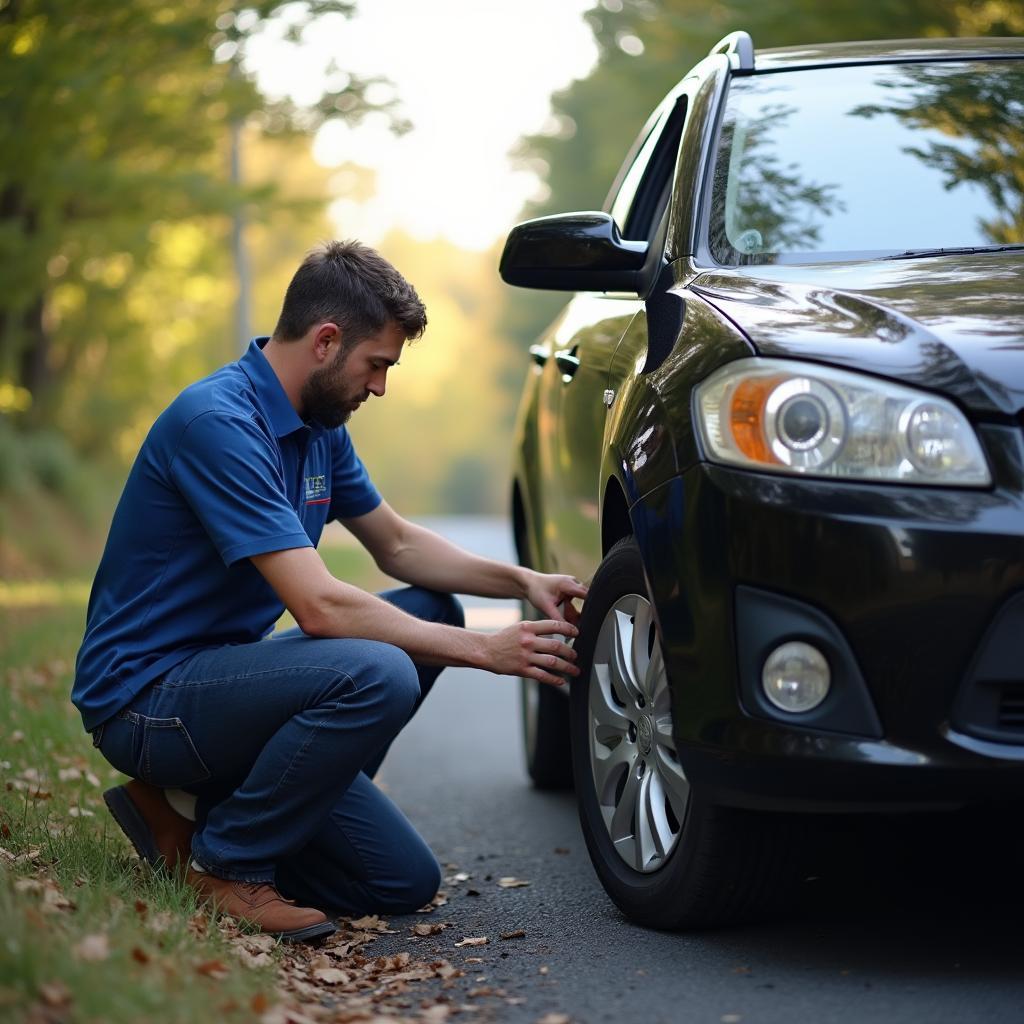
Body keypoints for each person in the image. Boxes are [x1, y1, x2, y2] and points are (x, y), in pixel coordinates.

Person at [72, 240, 586, 943]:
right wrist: (484, 650)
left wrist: (520, 580)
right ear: (326, 341)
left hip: (226, 685)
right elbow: (320, 606)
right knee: (377, 669)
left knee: (400, 882)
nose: (379, 387)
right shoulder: (219, 424)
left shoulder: (317, 428)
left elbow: (398, 545)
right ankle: (226, 865)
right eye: (377, 365)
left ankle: (190, 817)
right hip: (147, 702)